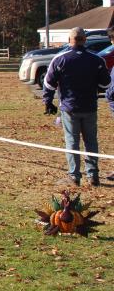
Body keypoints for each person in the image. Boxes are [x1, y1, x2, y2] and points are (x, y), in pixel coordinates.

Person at [45, 27, 109, 186]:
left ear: (69, 40)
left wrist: (48, 101)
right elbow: (106, 84)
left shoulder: (60, 59)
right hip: (90, 107)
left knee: (72, 142)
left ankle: (74, 176)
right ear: (85, 40)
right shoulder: (96, 60)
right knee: (91, 141)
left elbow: (49, 83)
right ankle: (93, 175)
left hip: (69, 108)